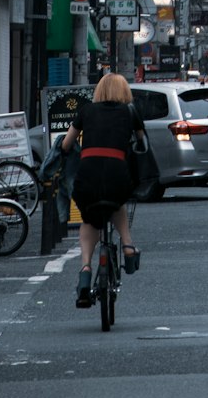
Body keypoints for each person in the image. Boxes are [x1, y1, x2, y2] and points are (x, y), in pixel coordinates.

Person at [61, 73, 147, 307]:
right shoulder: (130, 112)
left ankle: (86, 268)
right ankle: (128, 245)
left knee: (89, 218)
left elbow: (66, 145)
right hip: (117, 173)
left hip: (87, 175)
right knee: (117, 200)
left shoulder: (86, 111)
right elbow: (142, 143)